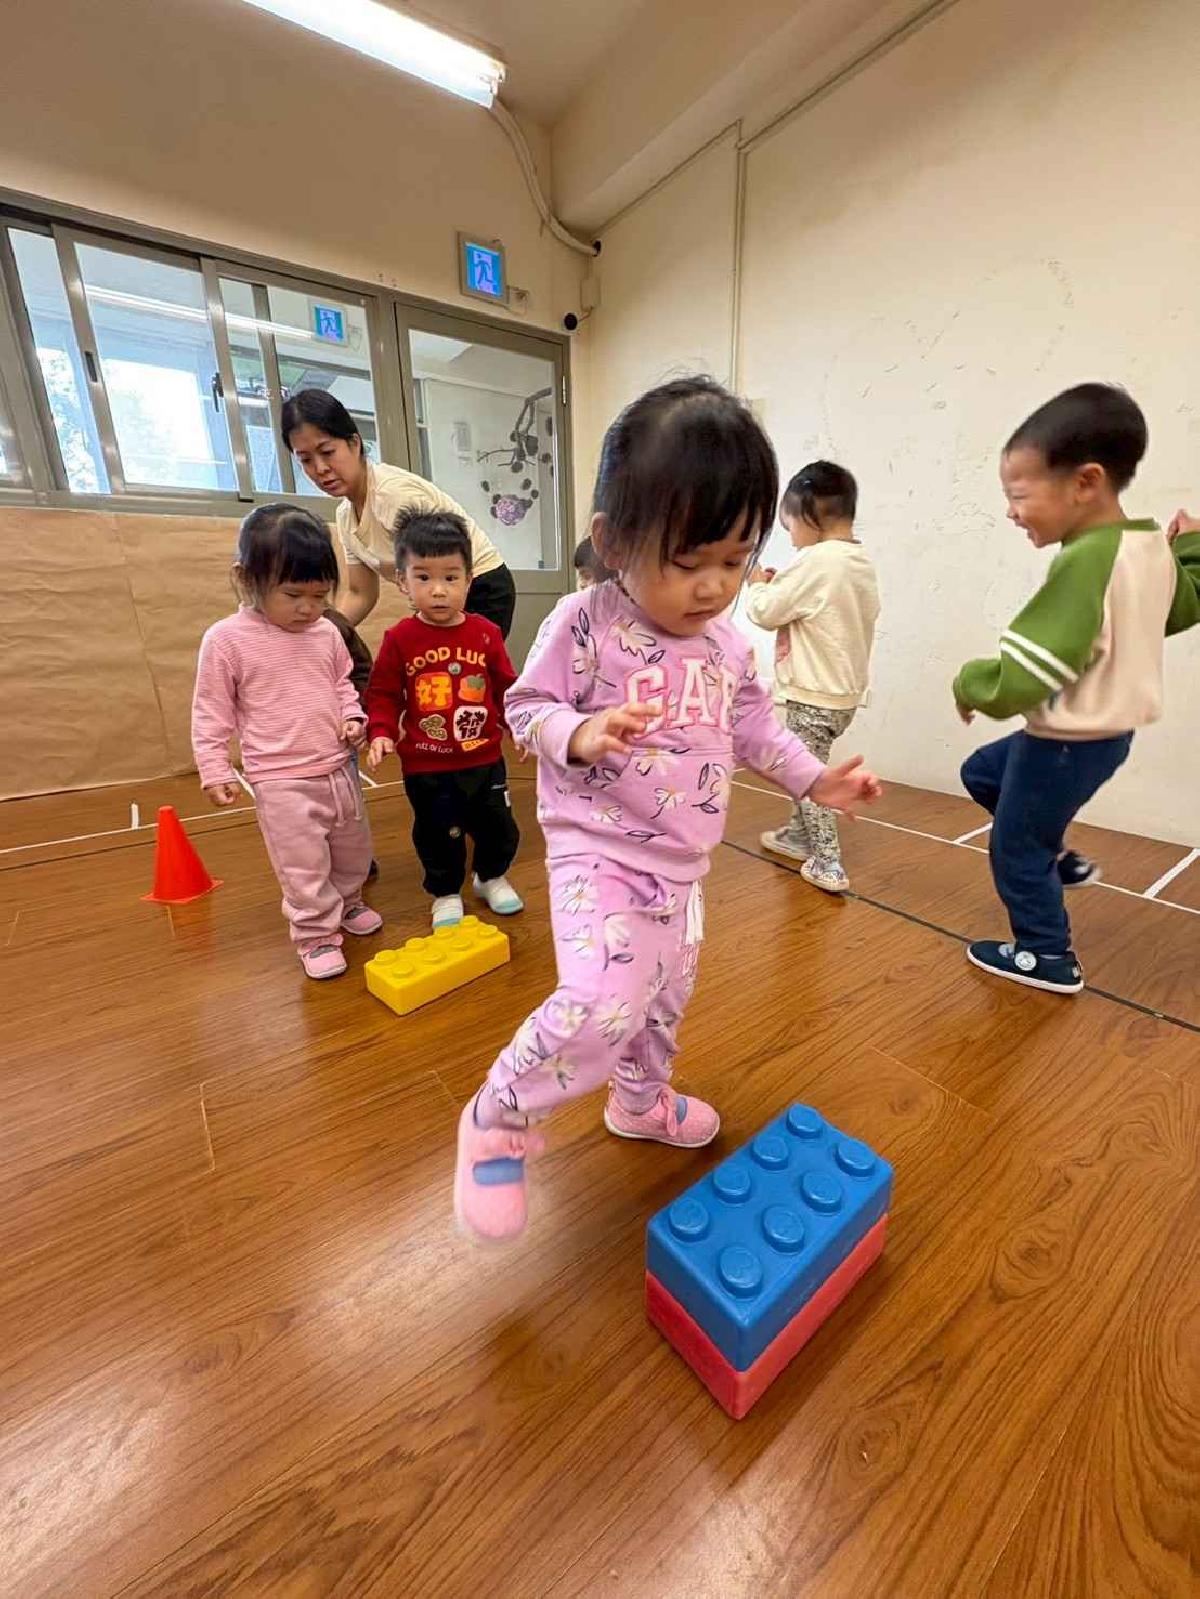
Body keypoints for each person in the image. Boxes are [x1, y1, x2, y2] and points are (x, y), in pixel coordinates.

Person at [452, 376, 883, 1242]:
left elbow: (755, 721)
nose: (715, 586)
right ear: (613, 541)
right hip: (596, 849)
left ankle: (640, 1103)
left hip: (682, 863)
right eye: (689, 562)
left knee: (660, 1000)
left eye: (735, 558)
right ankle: (497, 1115)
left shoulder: (727, 641)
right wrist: (582, 731)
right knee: (606, 997)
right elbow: (525, 709)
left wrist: (810, 779)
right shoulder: (583, 622)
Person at [954, 383, 1200, 994]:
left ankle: (1047, 955)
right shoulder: (1147, 547)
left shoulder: (1085, 561)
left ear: (1085, 483)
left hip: (1064, 741)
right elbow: (1182, 608)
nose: (1011, 511)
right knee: (982, 773)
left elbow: (1031, 669)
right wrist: (1191, 544)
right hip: (1103, 739)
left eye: (1019, 495)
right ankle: (1055, 857)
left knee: (1012, 850)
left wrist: (973, 683)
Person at [192, 505, 383, 980]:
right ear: (246, 579)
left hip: (339, 768)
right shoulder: (226, 640)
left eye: (319, 595)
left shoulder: (326, 632)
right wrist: (215, 768)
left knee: (352, 848)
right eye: (293, 594)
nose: (308, 608)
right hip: (281, 779)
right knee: (303, 864)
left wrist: (354, 717)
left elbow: (342, 684)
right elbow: (211, 710)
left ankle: (349, 902)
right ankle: (316, 934)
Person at [366, 509, 523, 930]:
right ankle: (446, 892)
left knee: (498, 826)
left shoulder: (486, 633)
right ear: (402, 581)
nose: (438, 591)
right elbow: (382, 693)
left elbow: (506, 687)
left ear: (470, 581)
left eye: (451, 578)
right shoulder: (400, 639)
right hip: (427, 764)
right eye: (423, 578)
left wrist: (520, 726)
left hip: (484, 756)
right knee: (439, 832)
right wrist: (380, 731)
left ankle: (491, 877)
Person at [280, 389, 518, 637]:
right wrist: (320, 635)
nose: (320, 468)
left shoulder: (391, 495)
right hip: (435, 592)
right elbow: (360, 594)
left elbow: (442, 568)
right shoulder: (345, 517)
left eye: (327, 452)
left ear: (354, 442)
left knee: (458, 669)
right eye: (306, 460)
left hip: (477, 585)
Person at [745, 461, 880, 893]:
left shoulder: (817, 561)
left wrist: (755, 584)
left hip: (813, 695)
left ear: (808, 514)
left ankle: (828, 863)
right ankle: (798, 836)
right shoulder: (858, 560)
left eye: (790, 527)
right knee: (806, 761)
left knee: (806, 774)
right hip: (842, 696)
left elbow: (766, 612)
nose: (791, 537)